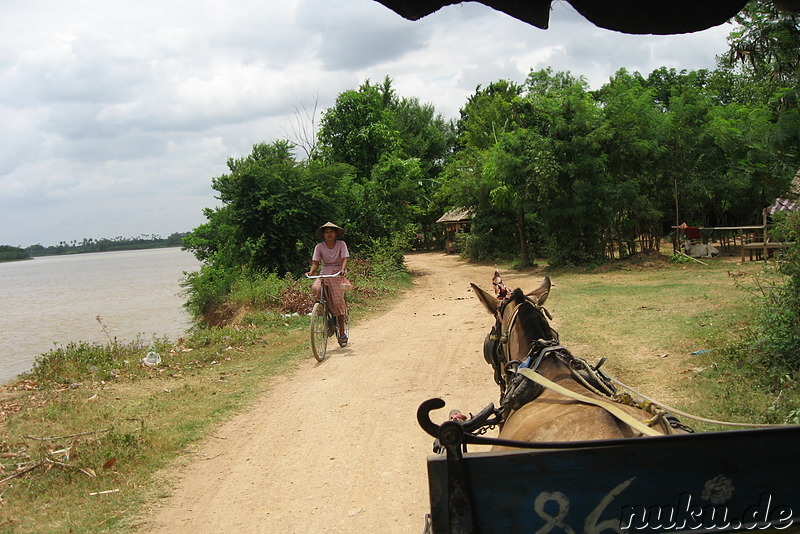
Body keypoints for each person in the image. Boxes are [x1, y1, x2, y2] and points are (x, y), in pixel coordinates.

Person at [307, 222, 350, 346]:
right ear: (323, 235)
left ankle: (342, 332)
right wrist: (311, 271)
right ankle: (322, 309)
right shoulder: (319, 247)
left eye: (331, 231)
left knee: (338, 302)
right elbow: (315, 263)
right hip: (325, 272)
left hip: (337, 274)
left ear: (336, 233)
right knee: (316, 288)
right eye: (326, 232)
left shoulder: (341, 244)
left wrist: (342, 269)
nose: (329, 234)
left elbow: (345, 259)